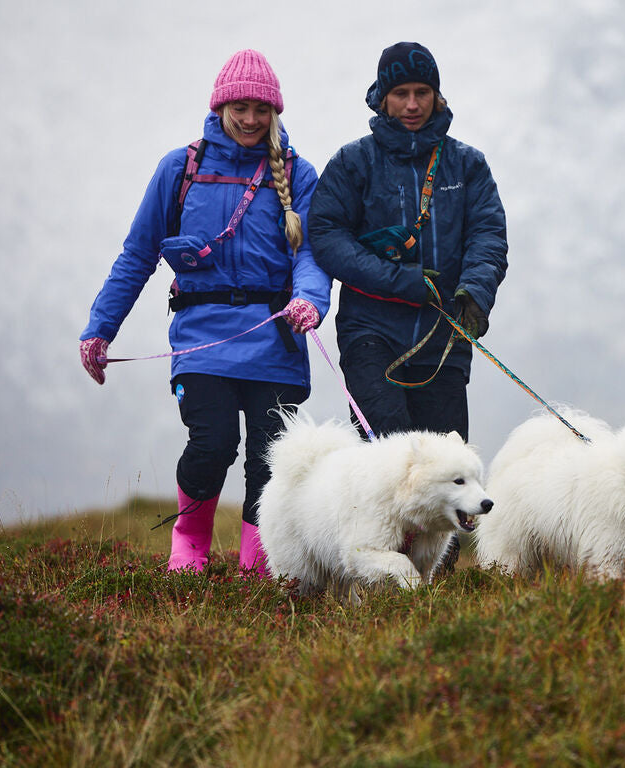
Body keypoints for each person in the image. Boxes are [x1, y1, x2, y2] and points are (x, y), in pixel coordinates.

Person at [79, 49, 331, 575]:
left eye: (262, 109)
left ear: (275, 114)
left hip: (276, 343)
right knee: (211, 444)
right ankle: (188, 544)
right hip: (201, 341)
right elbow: (138, 255)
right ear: (220, 106)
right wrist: (100, 330)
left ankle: (258, 565)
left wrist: (311, 299)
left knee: (270, 460)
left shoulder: (298, 174)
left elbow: (309, 254)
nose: (250, 119)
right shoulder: (181, 168)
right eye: (239, 107)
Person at [308, 41, 508, 445]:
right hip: (369, 333)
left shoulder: (469, 165)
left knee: (444, 468)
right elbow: (326, 235)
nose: (412, 104)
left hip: (444, 333)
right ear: (383, 99)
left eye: (422, 92)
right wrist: (401, 280)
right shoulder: (352, 163)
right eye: (401, 94)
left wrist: (476, 290)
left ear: (437, 96)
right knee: (390, 456)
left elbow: (488, 235)